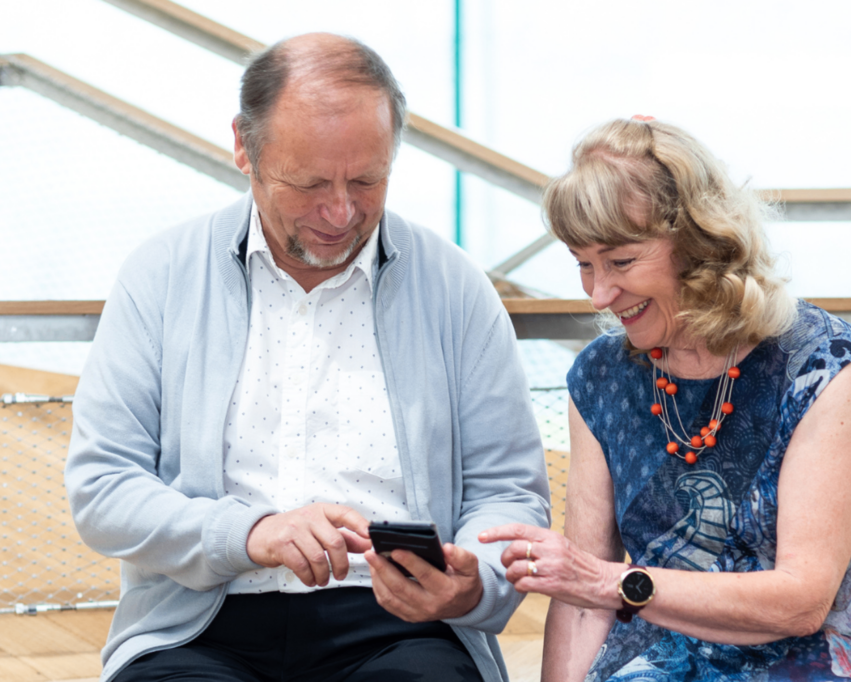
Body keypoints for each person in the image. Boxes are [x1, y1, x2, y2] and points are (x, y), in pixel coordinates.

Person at [65, 33, 549, 682]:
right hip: (197, 626)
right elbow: (102, 486)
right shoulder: (159, 276)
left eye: (367, 180)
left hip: (401, 628)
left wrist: (476, 583)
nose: (341, 211)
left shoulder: (456, 288)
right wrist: (249, 534)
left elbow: (507, 490)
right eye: (311, 183)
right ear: (244, 147)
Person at [480, 117, 851, 681]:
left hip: (812, 663)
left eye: (620, 261)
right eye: (583, 263)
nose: (599, 294)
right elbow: (583, 605)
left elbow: (800, 603)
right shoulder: (601, 375)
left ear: (698, 244)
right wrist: (591, 589)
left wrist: (610, 582)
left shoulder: (822, 365)